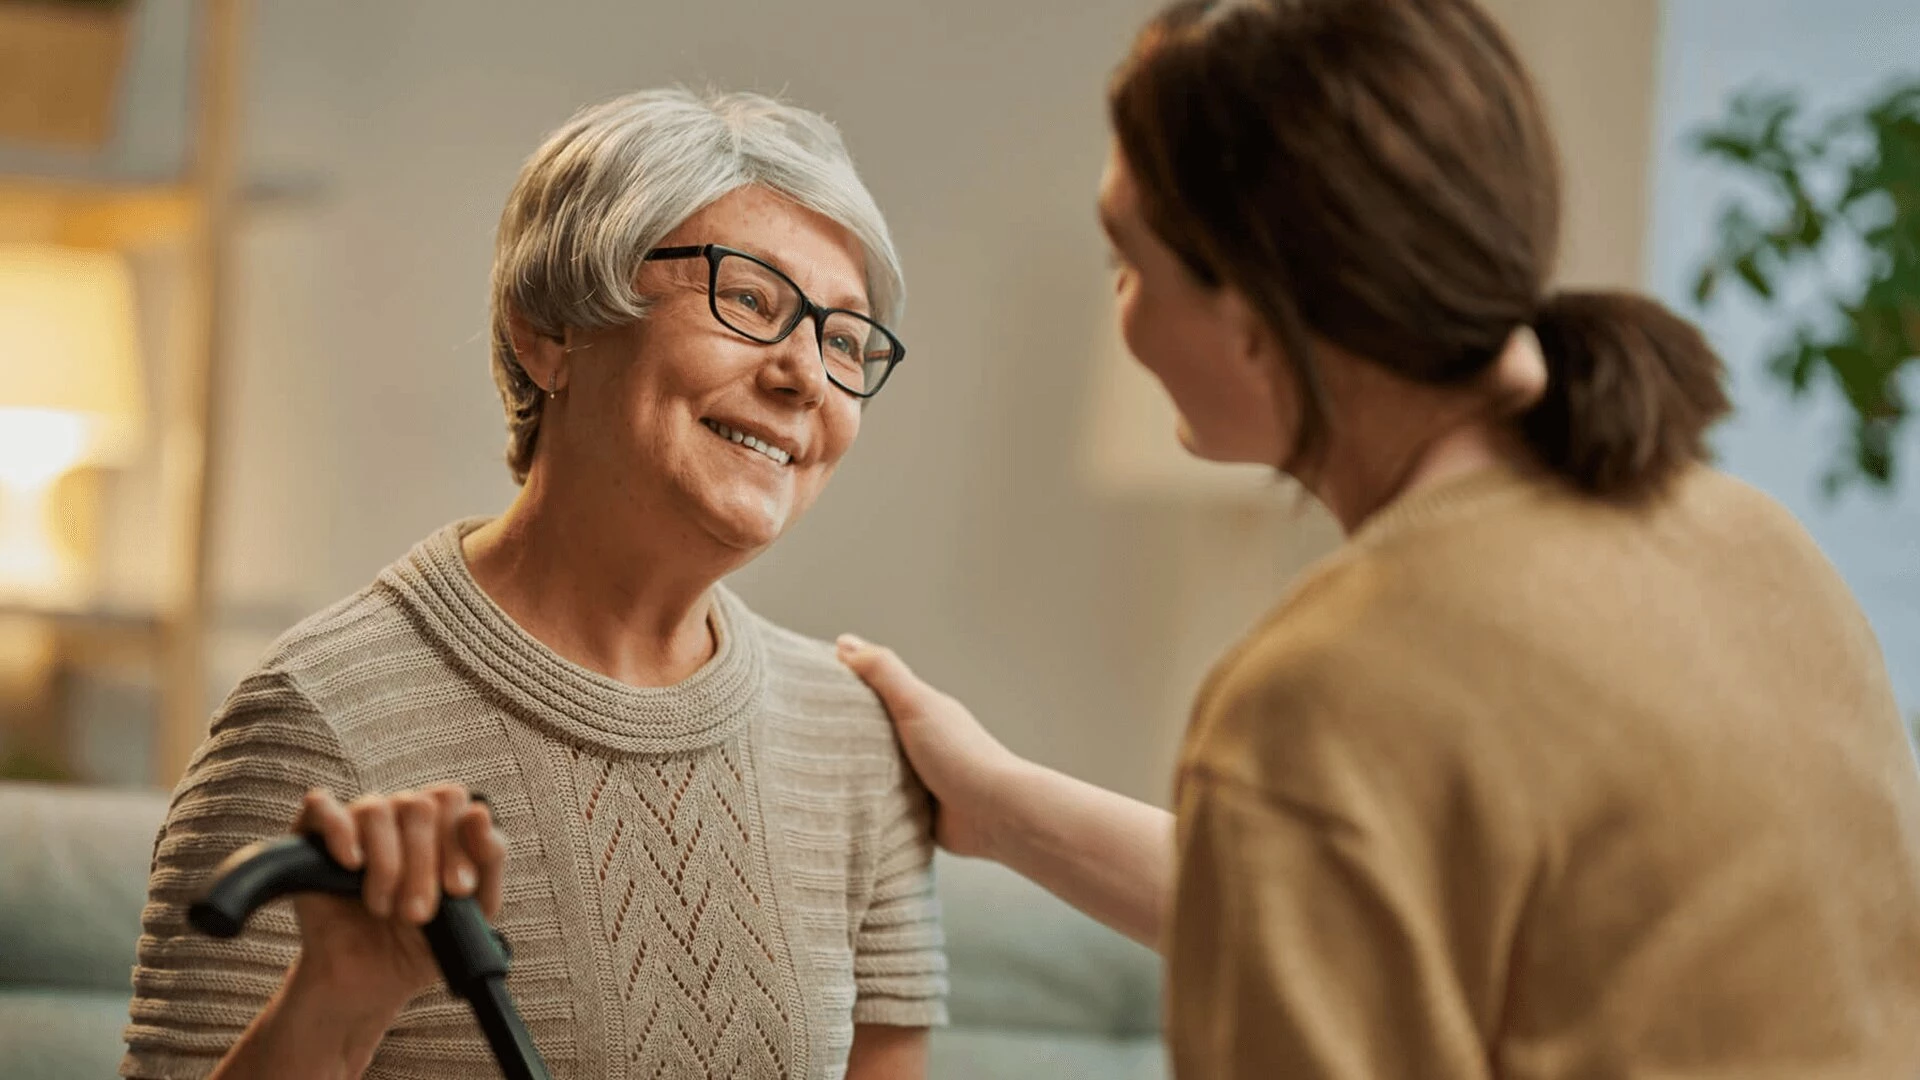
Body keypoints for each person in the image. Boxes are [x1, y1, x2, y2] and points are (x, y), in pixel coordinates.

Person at [835, 0, 1920, 1077]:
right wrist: (1000, 807)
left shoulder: (1331, 689)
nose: (1119, 304)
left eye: (1129, 258)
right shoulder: (1751, 541)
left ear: (1255, 316)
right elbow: (1384, 906)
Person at [122, 88, 946, 1080]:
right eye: (750, 300)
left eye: (846, 339)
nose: (805, 374)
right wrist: (335, 1006)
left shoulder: (852, 740)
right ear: (548, 331)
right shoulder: (318, 716)